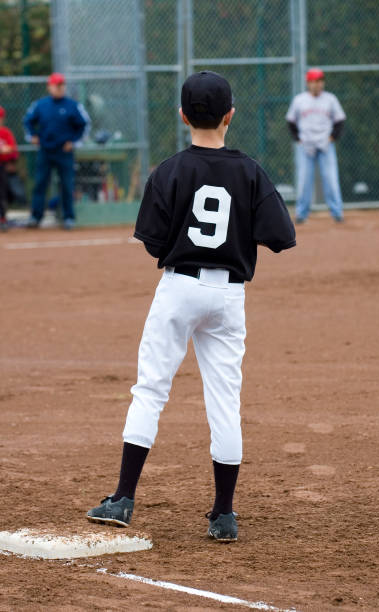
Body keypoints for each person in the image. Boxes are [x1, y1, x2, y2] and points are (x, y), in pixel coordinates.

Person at [86, 71, 296, 542]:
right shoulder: (249, 170)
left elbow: (152, 240)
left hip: (179, 286)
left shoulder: (169, 169)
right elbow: (281, 237)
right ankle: (223, 515)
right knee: (224, 399)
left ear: (182, 116)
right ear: (230, 115)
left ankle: (122, 499)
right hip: (228, 294)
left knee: (151, 389)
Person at [23, 72, 90, 230]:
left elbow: (85, 125)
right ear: (49, 87)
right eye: (56, 85)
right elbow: (27, 121)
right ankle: (36, 217)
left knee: (67, 185)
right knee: (40, 184)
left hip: (64, 152)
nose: (59, 88)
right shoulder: (40, 105)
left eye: (62, 85)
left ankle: (68, 218)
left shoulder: (72, 106)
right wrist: (32, 136)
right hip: (45, 151)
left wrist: (73, 142)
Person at [286, 68, 346, 224]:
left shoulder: (330, 99)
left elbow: (340, 120)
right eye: (314, 81)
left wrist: (333, 137)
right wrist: (297, 138)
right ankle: (301, 214)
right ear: (308, 83)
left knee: (331, 179)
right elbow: (291, 121)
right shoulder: (300, 100)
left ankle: (337, 212)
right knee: (304, 180)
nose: (317, 84)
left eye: (320, 81)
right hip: (305, 145)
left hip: (325, 144)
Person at [0, 106, 18, 231]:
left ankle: (2, 218)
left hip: (2, 167)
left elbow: (12, 149)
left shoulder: (5, 133)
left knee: (3, 193)